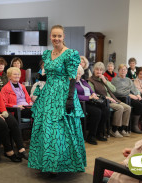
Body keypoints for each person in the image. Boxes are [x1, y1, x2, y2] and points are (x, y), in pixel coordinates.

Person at [28, 25, 86, 173]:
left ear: (63, 37)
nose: (56, 39)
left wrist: (69, 99)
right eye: (54, 36)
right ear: (50, 37)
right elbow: (47, 74)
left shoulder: (70, 54)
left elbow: (72, 77)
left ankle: (61, 164)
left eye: (59, 36)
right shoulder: (47, 54)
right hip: (48, 93)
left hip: (63, 93)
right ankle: (47, 162)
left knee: (60, 130)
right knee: (46, 127)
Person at [88, 62, 131, 138]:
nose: (99, 71)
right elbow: (93, 94)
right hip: (104, 101)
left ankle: (121, 129)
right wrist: (106, 97)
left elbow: (114, 89)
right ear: (94, 70)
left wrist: (105, 81)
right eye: (97, 69)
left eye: (101, 70)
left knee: (128, 108)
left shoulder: (105, 79)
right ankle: (114, 130)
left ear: (103, 71)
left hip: (114, 99)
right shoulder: (90, 80)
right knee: (120, 108)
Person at [112, 64, 142, 133]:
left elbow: (134, 89)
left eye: (125, 69)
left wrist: (138, 94)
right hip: (122, 97)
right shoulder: (115, 80)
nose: (123, 71)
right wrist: (129, 95)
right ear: (118, 71)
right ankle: (134, 126)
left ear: (127, 71)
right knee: (138, 105)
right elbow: (117, 92)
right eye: (121, 69)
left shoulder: (128, 80)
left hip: (131, 96)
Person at [76, 65, 109, 145]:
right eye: (76, 73)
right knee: (97, 112)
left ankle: (99, 133)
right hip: (81, 103)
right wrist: (88, 97)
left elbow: (91, 90)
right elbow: (75, 95)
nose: (78, 75)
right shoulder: (71, 83)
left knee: (105, 109)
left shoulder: (83, 81)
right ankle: (91, 136)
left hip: (91, 101)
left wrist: (93, 94)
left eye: (79, 74)